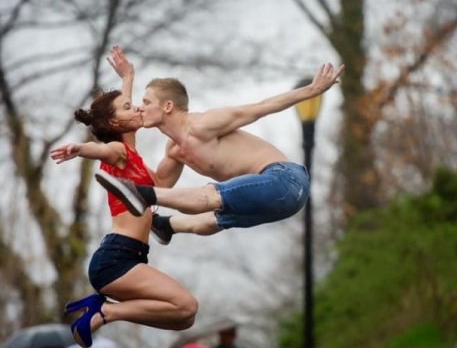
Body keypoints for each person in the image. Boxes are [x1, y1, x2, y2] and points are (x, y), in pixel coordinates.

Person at [94, 61, 344, 244]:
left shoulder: (204, 124)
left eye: (146, 102)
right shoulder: (174, 151)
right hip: (281, 205)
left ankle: (144, 198)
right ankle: (165, 226)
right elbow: (158, 183)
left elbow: (261, 108)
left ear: (168, 106)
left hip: (285, 180)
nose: (140, 107)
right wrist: (119, 154)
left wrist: (311, 90)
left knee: (209, 196)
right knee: (211, 219)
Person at [49, 46, 197, 348]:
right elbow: (101, 148)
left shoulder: (130, 147)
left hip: (130, 257)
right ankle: (105, 312)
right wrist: (79, 149)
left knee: (184, 315)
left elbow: (121, 112)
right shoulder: (117, 153)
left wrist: (128, 75)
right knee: (186, 305)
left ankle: (104, 310)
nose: (138, 109)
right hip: (116, 259)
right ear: (115, 124)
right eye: (131, 107)